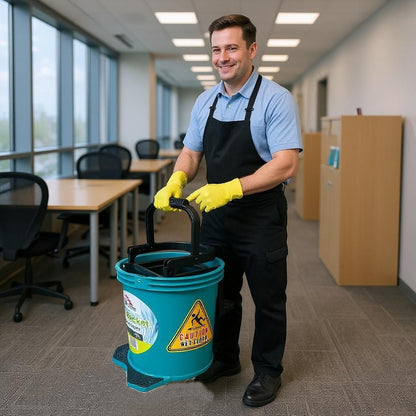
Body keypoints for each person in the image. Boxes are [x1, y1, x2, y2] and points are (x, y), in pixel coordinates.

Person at [154, 14, 302, 407]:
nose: (223, 57)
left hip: (260, 216)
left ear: (252, 50)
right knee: (220, 294)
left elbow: (286, 163)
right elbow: (191, 152)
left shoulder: (276, 99)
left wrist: (234, 187)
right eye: (217, 49)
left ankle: (268, 371)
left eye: (232, 48)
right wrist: (177, 179)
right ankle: (224, 358)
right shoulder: (206, 100)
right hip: (217, 216)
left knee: (268, 299)